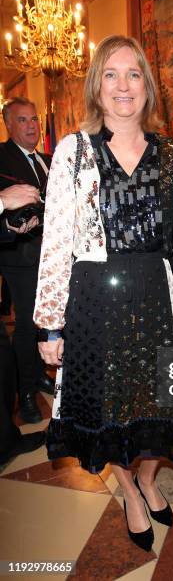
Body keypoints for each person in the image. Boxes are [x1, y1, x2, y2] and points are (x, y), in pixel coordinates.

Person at [34, 35, 173, 552]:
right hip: (94, 301)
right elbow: (57, 238)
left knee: (160, 405)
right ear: (96, 86)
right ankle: (129, 488)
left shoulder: (172, 153)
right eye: (111, 74)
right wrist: (50, 324)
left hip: (156, 295)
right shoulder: (74, 151)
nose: (123, 85)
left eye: (133, 74)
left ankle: (148, 478)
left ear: (147, 86)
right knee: (109, 409)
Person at [0, 97, 54, 424]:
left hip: (51, 256)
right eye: (23, 120)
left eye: (34, 119)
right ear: (8, 125)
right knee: (25, 326)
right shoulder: (1, 156)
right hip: (19, 257)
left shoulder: (48, 159)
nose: (32, 125)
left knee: (45, 321)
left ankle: (38, 374)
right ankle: (27, 392)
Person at [0, 184, 45, 464]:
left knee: (4, 364)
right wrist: (2, 200)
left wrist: (9, 230)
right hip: (19, 265)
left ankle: (6, 441)